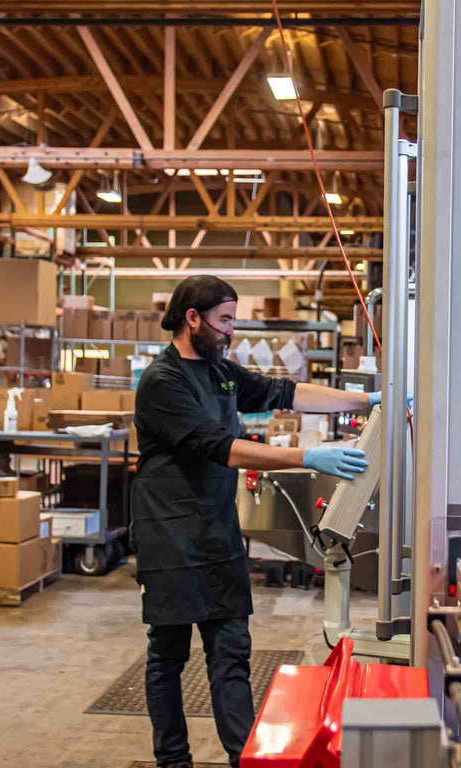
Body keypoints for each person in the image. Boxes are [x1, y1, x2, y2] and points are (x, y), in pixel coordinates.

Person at [132, 276, 387, 768]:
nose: (231, 330)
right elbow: (219, 447)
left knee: (231, 653)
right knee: (168, 655)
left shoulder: (221, 372)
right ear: (193, 318)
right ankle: (173, 761)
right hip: (169, 535)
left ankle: (243, 758)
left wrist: (369, 401)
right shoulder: (163, 381)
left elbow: (284, 392)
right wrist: (306, 455)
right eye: (224, 320)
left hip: (217, 533)